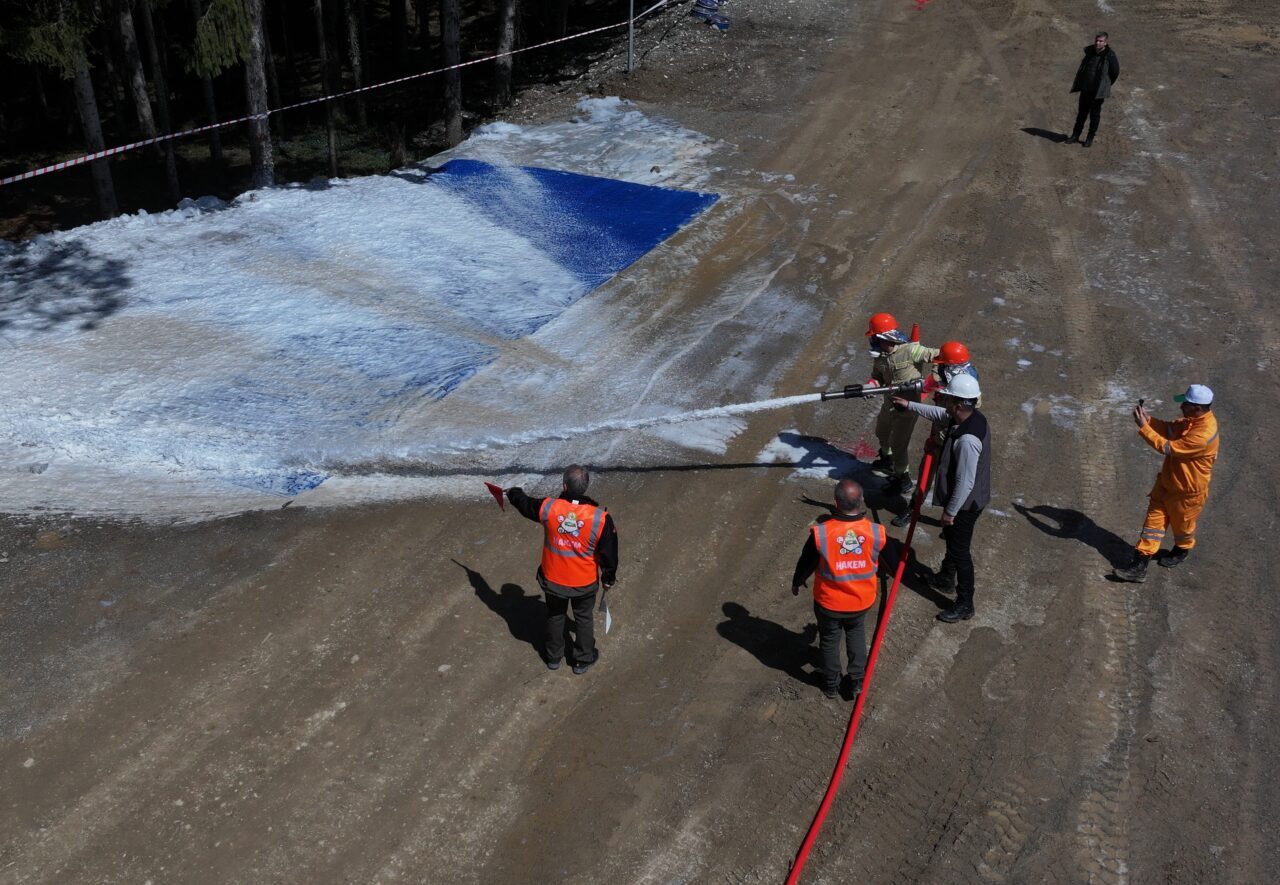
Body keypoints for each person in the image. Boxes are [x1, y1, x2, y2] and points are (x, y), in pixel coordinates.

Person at [892, 373, 991, 623]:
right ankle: (946, 578)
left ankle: (965, 603)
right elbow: (939, 414)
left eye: (947, 398)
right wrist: (909, 405)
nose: (943, 401)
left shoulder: (968, 439)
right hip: (965, 500)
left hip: (966, 504)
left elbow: (965, 482)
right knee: (952, 541)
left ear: (958, 404)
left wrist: (950, 512)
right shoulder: (970, 417)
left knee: (960, 552)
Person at [506, 465, 619, 673]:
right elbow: (609, 553)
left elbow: (526, 505)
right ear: (586, 487)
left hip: (553, 580)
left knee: (555, 615)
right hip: (583, 583)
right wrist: (608, 578)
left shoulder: (550, 508)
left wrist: (513, 492)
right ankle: (582, 659)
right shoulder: (600, 518)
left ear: (564, 486)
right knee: (583, 618)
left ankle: (553, 657)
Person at [1113, 385, 1220, 582]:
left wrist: (1144, 428)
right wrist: (1149, 420)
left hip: (1187, 493)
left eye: (1185, 404)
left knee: (1183, 527)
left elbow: (1169, 447)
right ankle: (1138, 566)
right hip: (1167, 483)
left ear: (1197, 408)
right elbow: (1170, 430)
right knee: (1152, 525)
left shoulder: (1203, 435)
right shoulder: (1191, 421)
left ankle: (1182, 549)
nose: (1181, 407)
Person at [791, 479, 886, 699]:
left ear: (835, 503)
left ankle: (831, 684)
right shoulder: (876, 532)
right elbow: (890, 558)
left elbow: (806, 562)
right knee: (856, 634)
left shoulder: (822, 533)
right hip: (861, 602)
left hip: (829, 604)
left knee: (829, 640)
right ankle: (856, 681)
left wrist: (797, 581)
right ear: (862, 501)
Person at [890, 341, 981, 528]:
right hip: (937, 435)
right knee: (925, 472)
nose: (940, 366)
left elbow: (954, 416)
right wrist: (913, 387)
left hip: (954, 441)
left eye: (943, 363)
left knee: (954, 481)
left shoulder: (967, 386)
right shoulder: (941, 373)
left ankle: (951, 517)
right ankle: (914, 507)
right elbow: (927, 386)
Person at [865, 312, 940, 497]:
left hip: (907, 409)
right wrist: (871, 385)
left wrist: (932, 381)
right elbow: (877, 376)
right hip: (889, 403)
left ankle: (902, 479)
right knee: (881, 432)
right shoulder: (881, 356)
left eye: (875, 337)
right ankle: (887, 459)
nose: (872, 341)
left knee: (899, 445)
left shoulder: (911, 350)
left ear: (885, 337)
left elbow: (940, 355)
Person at [1066, 31, 1120, 148]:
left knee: (1094, 115)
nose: (1097, 43)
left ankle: (1089, 138)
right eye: (1096, 40)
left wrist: (1106, 85)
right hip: (1086, 88)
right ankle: (1075, 135)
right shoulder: (1090, 51)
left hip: (1097, 91)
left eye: (1100, 41)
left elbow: (1115, 72)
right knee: (1081, 113)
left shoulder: (1110, 56)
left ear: (1105, 43)